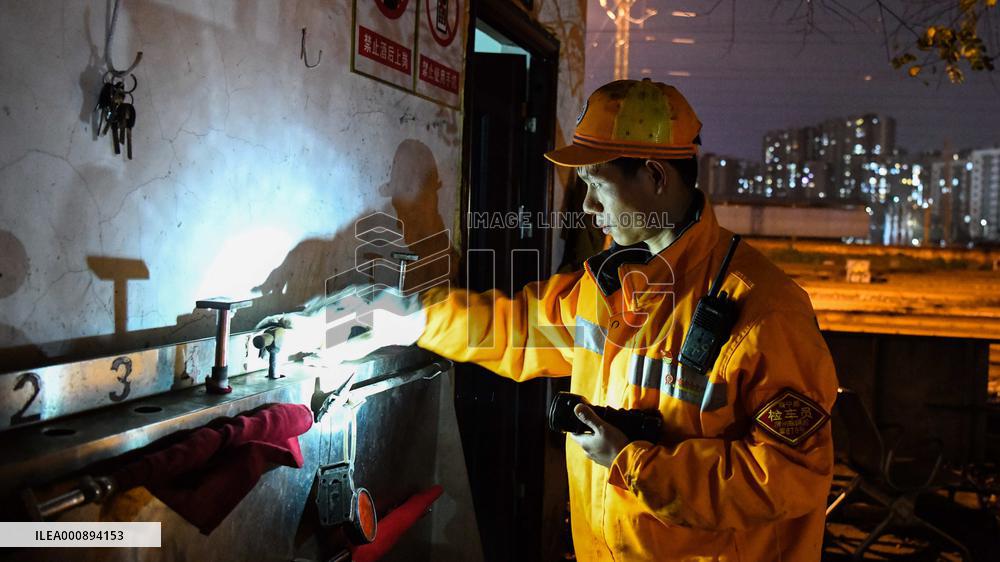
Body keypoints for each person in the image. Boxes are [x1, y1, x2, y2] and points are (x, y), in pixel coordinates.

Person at [304, 79, 840, 561]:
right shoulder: (609, 287)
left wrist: (633, 463)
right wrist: (409, 317)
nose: (585, 206)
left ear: (654, 177)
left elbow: (790, 480)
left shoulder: (762, 311)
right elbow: (518, 330)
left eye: (596, 183)